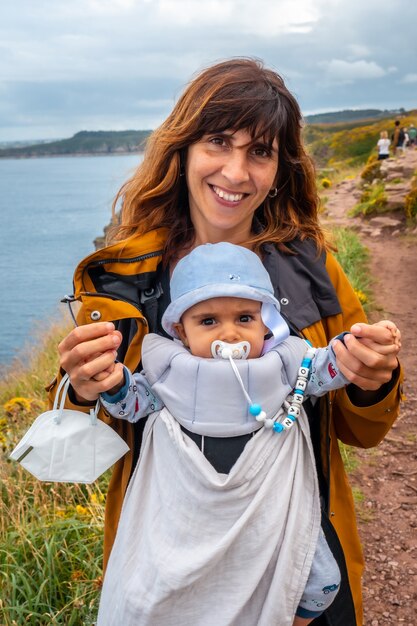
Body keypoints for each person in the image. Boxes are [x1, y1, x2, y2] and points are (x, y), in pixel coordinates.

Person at [52, 58, 403, 625]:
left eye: (260, 151)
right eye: (218, 141)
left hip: (295, 550)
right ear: (184, 149)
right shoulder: (123, 280)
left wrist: (371, 375)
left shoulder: (313, 271)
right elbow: (101, 435)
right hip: (170, 559)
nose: (236, 172)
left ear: (278, 167)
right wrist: (86, 388)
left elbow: (362, 429)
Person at [96, 242, 400, 625]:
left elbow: (326, 369)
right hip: (195, 508)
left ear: (266, 321)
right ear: (181, 331)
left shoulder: (286, 360)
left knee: (323, 580)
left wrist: (358, 348)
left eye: (245, 318)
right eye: (208, 321)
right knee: (160, 585)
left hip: (272, 500)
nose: (230, 334)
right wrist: (112, 384)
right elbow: (133, 405)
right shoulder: (170, 368)